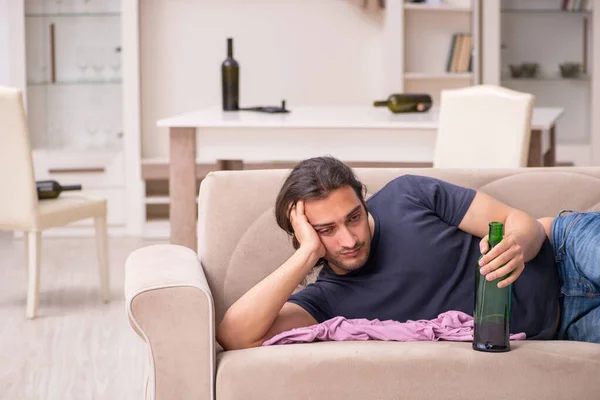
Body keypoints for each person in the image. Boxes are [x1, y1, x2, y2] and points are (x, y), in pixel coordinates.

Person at [216, 156, 600, 350]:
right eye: (326, 230)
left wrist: (519, 244)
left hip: (566, 247)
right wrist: (305, 254)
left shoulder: (407, 195)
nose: (349, 239)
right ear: (304, 234)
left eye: (353, 218)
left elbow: (519, 220)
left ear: (363, 199)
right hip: (564, 324)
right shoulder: (327, 299)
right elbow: (234, 335)